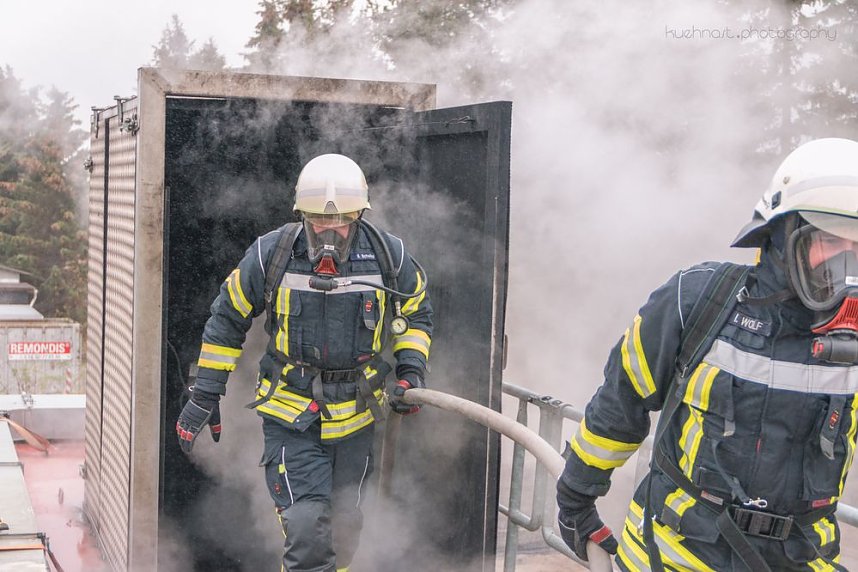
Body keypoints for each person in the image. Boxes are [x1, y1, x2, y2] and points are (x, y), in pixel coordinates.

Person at [557, 138, 858, 571]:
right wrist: (576, 499)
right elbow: (620, 406)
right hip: (675, 557)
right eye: (830, 241)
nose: (846, 267)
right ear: (782, 234)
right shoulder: (699, 301)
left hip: (800, 559)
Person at [175, 153, 433, 572]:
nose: (330, 233)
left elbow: (418, 313)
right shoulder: (270, 255)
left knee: (343, 530)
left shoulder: (390, 257)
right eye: (318, 221)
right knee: (307, 528)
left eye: (343, 221)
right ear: (301, 215)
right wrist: (205, 392)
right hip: (291, 416)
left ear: (360, 215)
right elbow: (227, 319)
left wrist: (410, 371)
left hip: (357, 417)